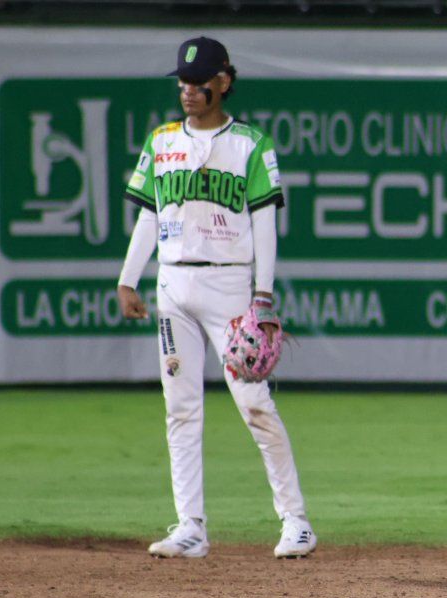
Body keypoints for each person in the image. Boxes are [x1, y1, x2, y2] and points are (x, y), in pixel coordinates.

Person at [118, 36, 317, 559]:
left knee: (254, 402)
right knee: (180, 408)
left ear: (224, 82)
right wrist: (127, 278)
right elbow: (149, 214)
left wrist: (264, 296)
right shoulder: (161, 142)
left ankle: (296, 520)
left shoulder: (251, 144)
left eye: (199, 81)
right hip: (173, 286)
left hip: (231, 285)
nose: (188, 90)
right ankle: (191, 526)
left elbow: (265, 222)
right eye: (183, 81)